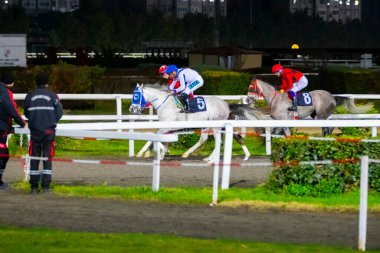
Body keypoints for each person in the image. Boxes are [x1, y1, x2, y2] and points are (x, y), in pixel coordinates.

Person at [24, 73, 63, 194]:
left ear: (36, 82)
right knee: (47, 158)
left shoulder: (30, 96)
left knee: (34, 158)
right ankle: (46, 187)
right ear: (47, 83)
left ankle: (34, 187)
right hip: (49, 131)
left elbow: (26, 113)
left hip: (35, 131)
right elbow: (60, 112)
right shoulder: (52, 95)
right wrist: (52, 121)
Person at [0, 73, 27, 191]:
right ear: (11, 83)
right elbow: (11, 109)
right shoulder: (6, 92)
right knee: (3, 154)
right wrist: (22, 123)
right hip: (1, 128)